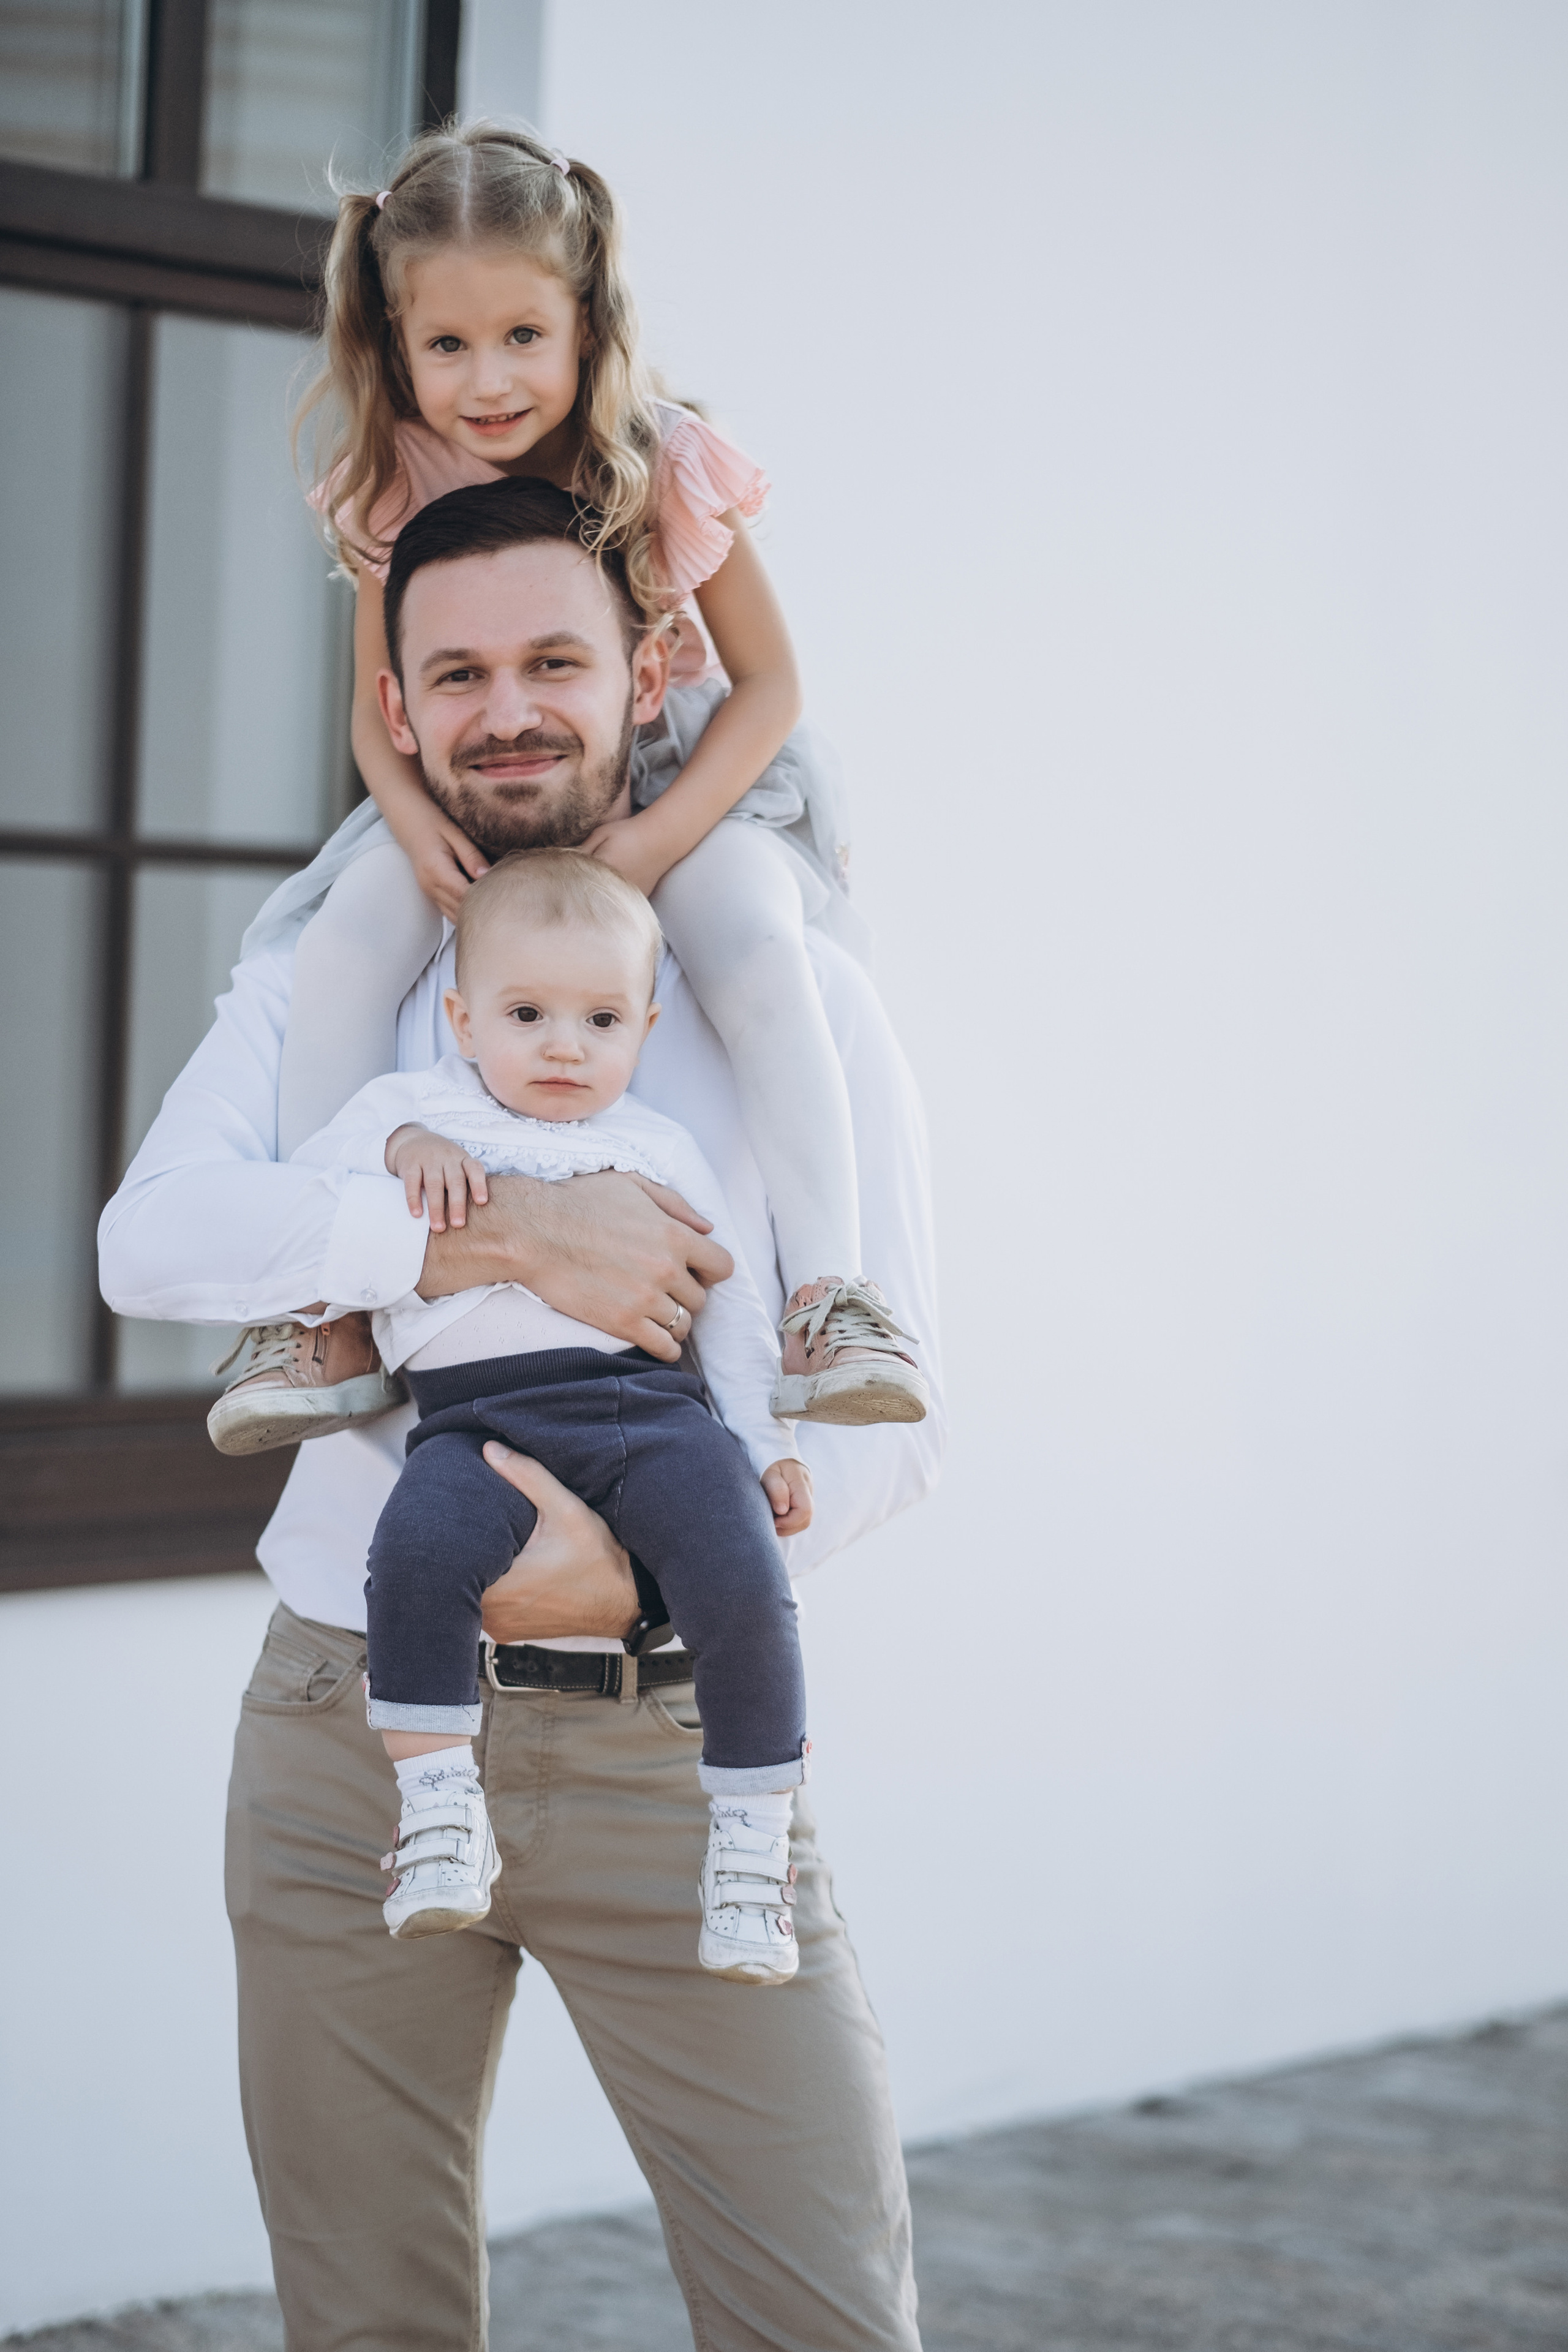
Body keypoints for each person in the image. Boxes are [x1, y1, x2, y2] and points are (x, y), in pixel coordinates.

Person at [99, 472, 940, 2350]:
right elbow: (148, 1241)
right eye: (458, 672)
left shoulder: (783, 991)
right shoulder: (333, 980)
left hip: (681, 1748)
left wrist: (633, 1576)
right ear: (397, 710)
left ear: (647, 667)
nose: (510, 709)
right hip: (343, 1746)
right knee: (367, 2324)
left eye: (553, 658)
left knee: (824, 2316)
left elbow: (893, 1418)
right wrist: (502, 1243)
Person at [207, 116, 924, 1452]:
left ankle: (833, 1292)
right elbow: (380, 718)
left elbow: (770, 688)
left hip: (681, 773)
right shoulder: (390, 490)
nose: (487, 380)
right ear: (393, 341)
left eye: (523, 336)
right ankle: (325, 1299)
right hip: (472, 780)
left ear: (586, 321)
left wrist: (648, 848)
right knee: (349, 940)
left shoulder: (657, 456)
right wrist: (415, 826)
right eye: (448, 345)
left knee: (752, 943)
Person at [306, 845, 813, 1973]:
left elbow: (726, 1306)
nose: (562, 1047)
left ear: (643, 1025)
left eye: (600, 1021)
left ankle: (750, 1843)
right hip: (474, 1422)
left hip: (652, 1413)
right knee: (415, 1559)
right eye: (527, 1012)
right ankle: (438, 1809)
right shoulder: (411, 1110)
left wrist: (766, 1443)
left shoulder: (660, 1145)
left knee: (743, 1582)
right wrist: (407, 1148)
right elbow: (321, 1167)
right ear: (462, 1018)